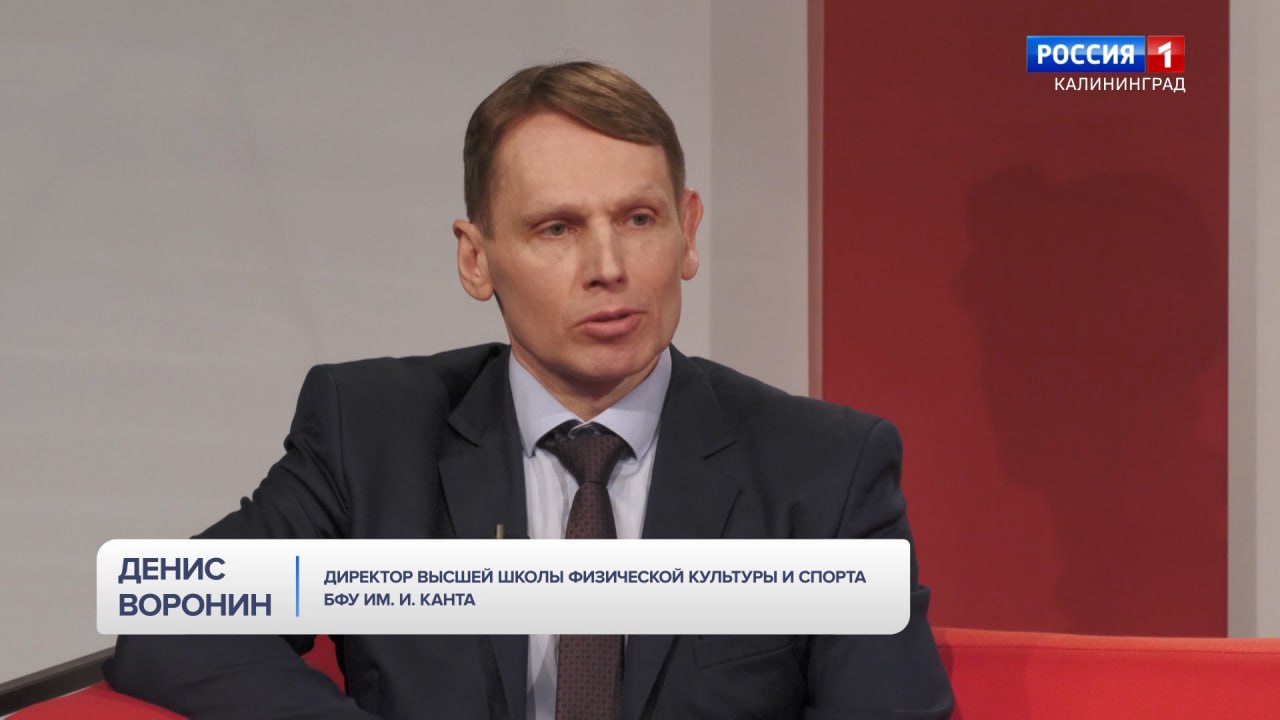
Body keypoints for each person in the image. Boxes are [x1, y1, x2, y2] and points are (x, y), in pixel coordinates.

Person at [106, 61, 954, 720]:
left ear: (688, 232)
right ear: (476, 259)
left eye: (639, 219)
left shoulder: (824, 469)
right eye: (557, 228)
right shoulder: (372, 434)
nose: (609, 268)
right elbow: (175, 616)